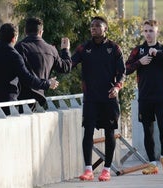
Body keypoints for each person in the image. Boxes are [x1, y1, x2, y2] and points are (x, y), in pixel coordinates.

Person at [71, 16, 126, 181]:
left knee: (109, 133)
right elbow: (69, 64)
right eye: (92, 26)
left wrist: (117, 87)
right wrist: (64, 51)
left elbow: (122, 73)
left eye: (97, 25)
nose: (93, 28)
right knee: (88, 132)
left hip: (109, 98)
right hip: (90, 99)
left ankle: (106, 169)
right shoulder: (83, 48)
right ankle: (88, 169)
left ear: (105, 29)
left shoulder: (114, 48)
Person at [125, 20, 163, 175]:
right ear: (143, 32)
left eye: (151, 30)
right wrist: (139, 62)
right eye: (146, 31)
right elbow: (125, 69)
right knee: (147, 131)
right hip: (144, 98)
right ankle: (152, 163)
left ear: (157, 32)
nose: (148, 34)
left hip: (161, 98)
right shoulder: (138, 51)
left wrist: (159, 54)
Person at [0, 23, 58, 117]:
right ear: (14, 38)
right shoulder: (14, 56)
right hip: (8, 106)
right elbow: (28, 79)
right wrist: (47, 83)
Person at [14, 17, 71, 111]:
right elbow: (66, 67)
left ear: (25, 31)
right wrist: (65, 50)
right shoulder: (51, 50)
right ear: (41, 32)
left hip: (21, 101)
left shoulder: (20, 47)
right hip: (40, 101)